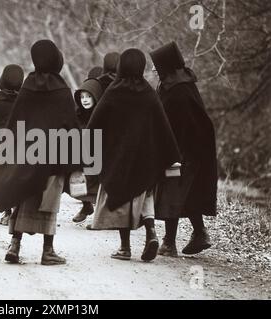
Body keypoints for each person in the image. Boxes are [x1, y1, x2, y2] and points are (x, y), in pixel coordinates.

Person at [0, 40, 80, 265]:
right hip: (53, 157)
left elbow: (15, 121)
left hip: (28, 156)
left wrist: (8, 152)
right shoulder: (61, 89)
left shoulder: (27, 85)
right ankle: (48, 251)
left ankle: (15, 245)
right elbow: (71, 125)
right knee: (49, 202)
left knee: (23, 197)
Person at [87, 48, 181, 262]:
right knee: (144, 194)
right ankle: (151, 232)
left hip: (118, 158)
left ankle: (125, 248)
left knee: (122, 197)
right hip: (144, 158)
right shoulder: (148, 92)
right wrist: (170, 154)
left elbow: (94, 123)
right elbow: (163, 125)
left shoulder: (113, 91)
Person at [150, 42, 218, 257]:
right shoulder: (180, 83)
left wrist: (171, 152)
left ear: (166, 65)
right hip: (190, 150)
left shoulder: (177, 90)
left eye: (156, 65)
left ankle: (169, 243)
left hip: (184, 151)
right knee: (187, 193)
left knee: (173, 192)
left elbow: (179, 123)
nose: (153, 69)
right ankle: (199, 233)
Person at [0, 64, 24, 226]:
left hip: (2, 145)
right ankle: (15, 210)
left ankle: (7, 211)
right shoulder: (25, 100)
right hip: (22, 145)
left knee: (4, 177)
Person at [68, 78, 103, 223]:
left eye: (88, 96)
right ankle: (86, 205)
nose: (85, 100)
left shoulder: (102, 113)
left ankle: (99, 216)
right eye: (82, 97)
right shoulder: (77, 114)